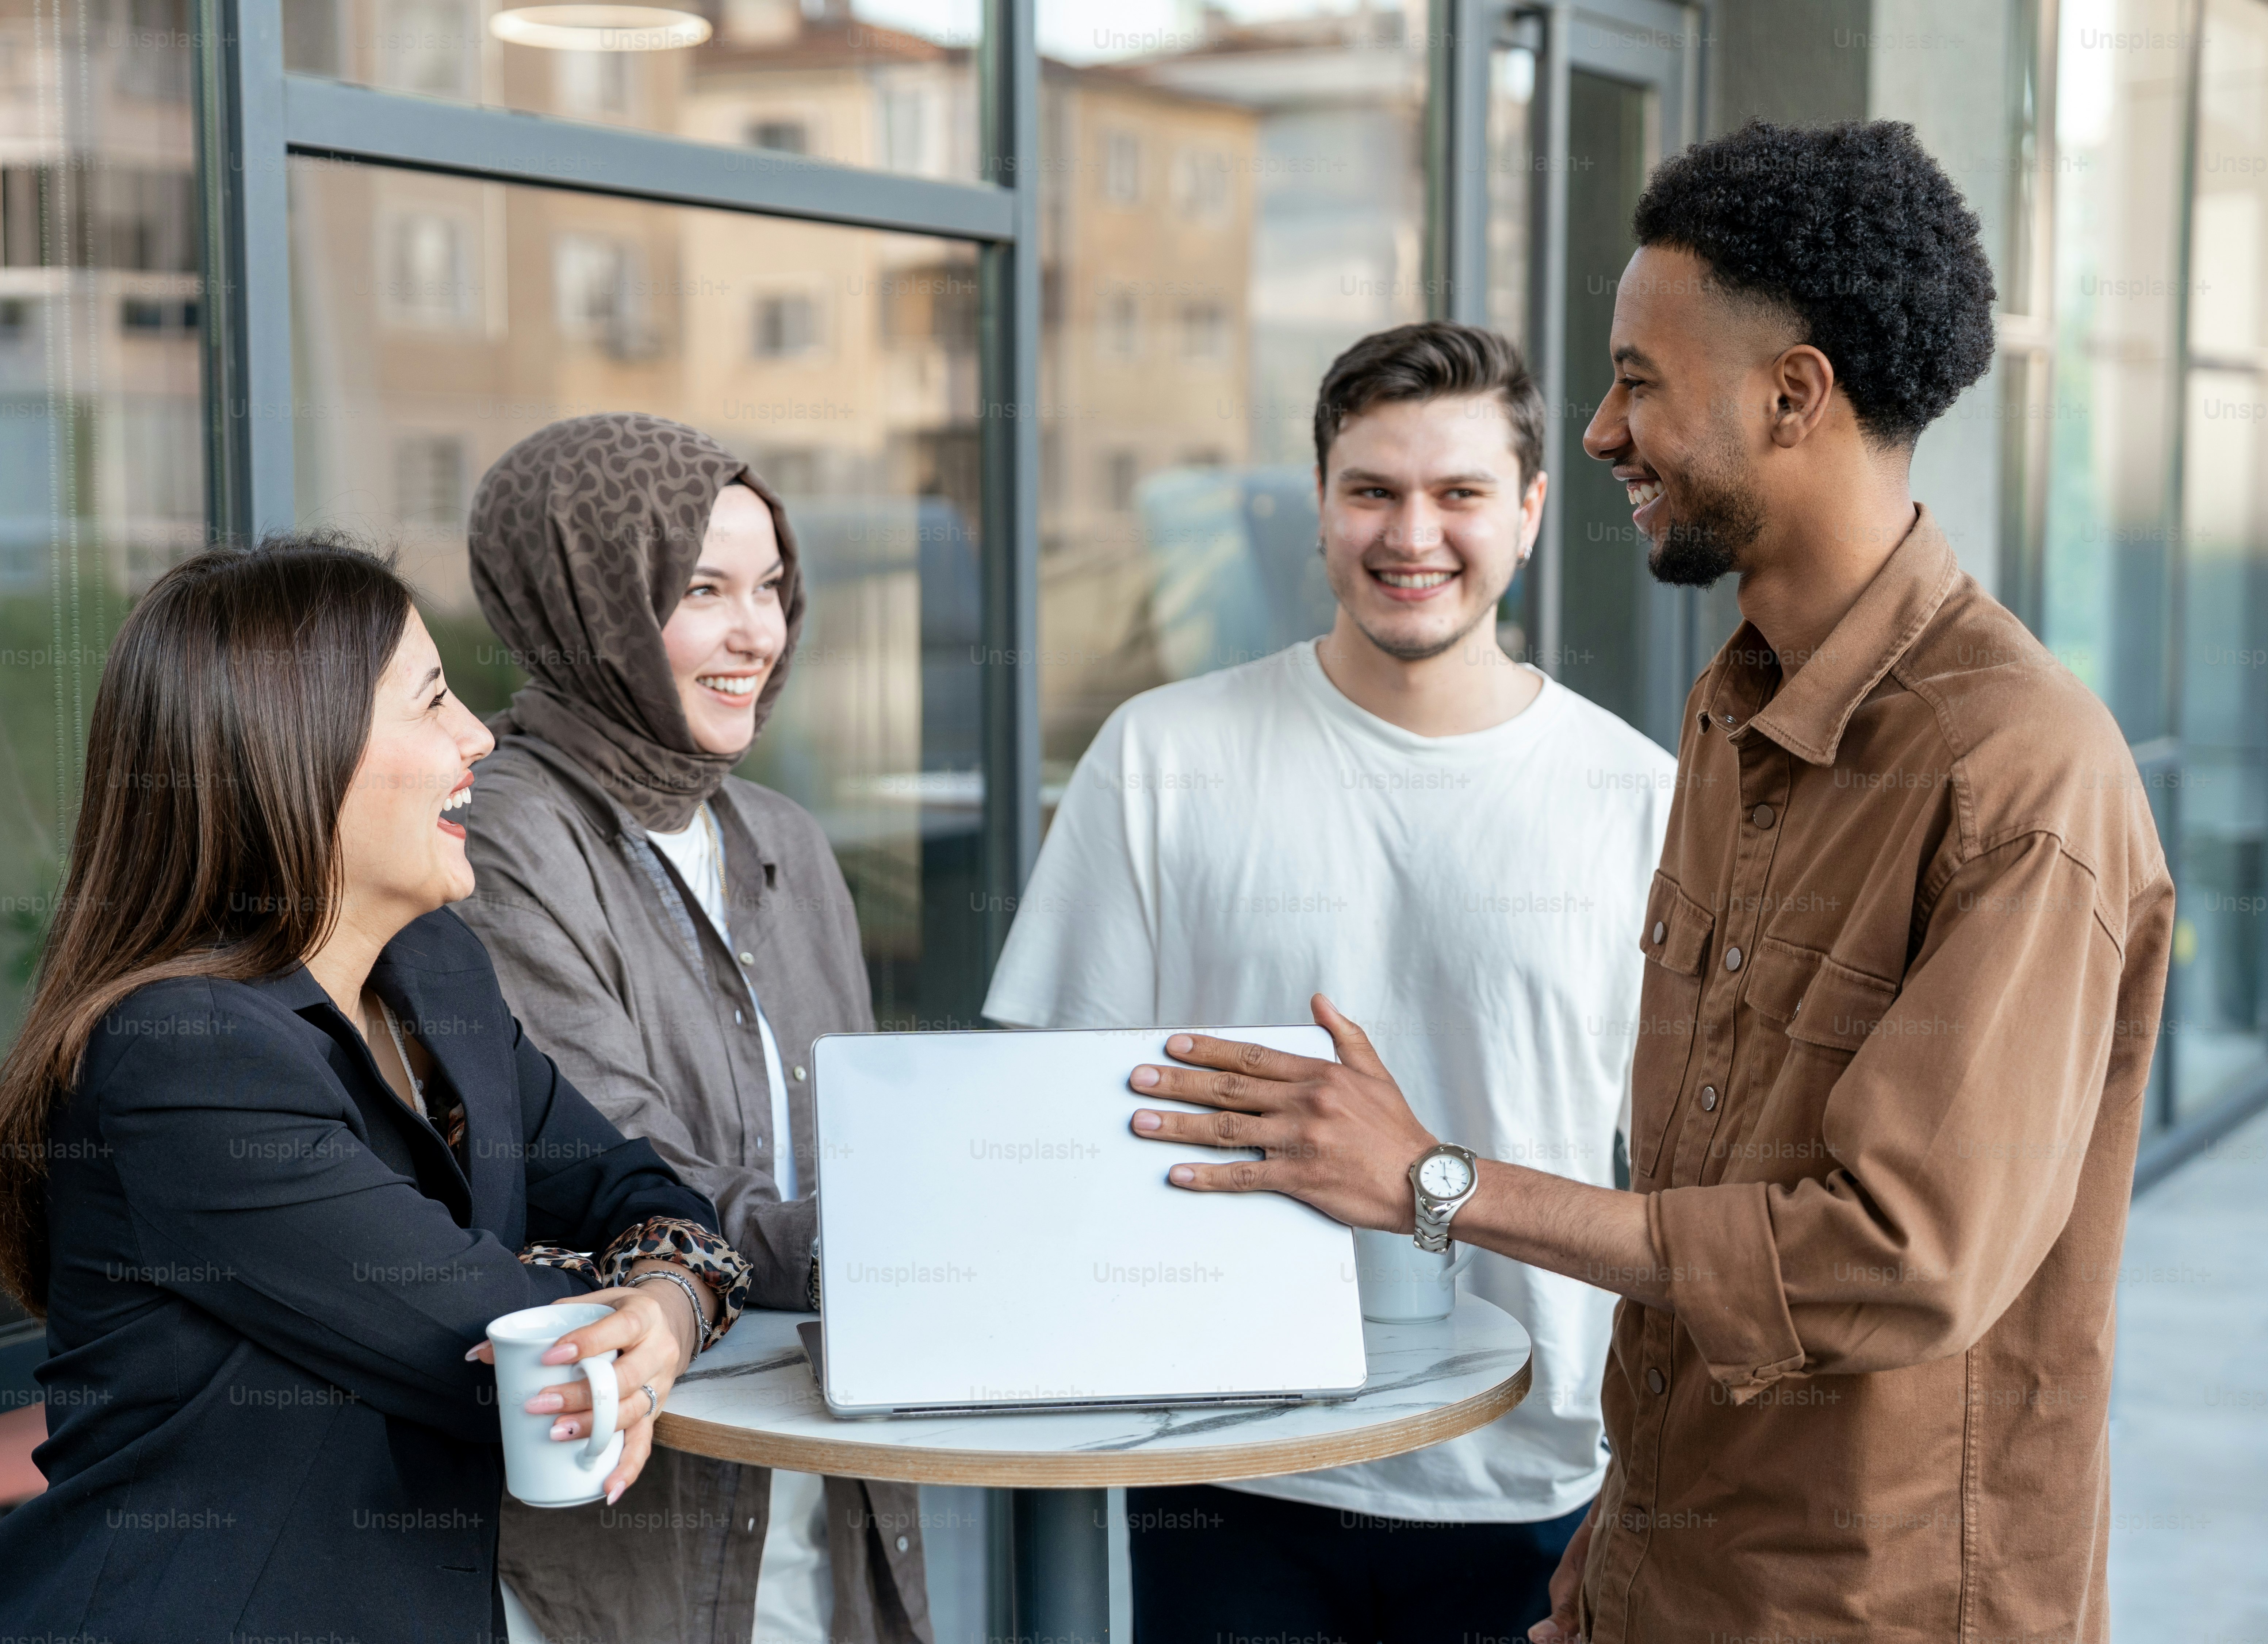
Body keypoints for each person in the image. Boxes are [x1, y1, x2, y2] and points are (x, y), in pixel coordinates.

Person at [1120, 120, 2171, 1644]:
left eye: (1640, 380)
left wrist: (1439, 1182)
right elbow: (1703, 1197)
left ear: (1794, 394)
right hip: (1668, 1583)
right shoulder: (1733, 716)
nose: (1604, 431)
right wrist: (1620, 1540)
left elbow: (1897, 1259)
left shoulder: (2018, 773)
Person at [982, 322, 1675, 1643]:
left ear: (1529, 513)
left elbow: (1677, 1177)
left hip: (1531, 1474)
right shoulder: (1162, 755)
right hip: (1225, 1459)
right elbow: (1047, 1110)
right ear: (1319, 510)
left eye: (1459, 493)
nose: (1412, 532)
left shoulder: (1640, 800)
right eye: (1372, 490)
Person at [0, 538, 750, 1644]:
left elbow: (644, 1191)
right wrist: (642, 1288)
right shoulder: (185, 1058)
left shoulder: (437, 973)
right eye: (431, 701)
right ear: (295, 751)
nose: (479, 734)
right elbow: (492, 1347)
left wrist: (665, 1303)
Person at [455, 413, 929, 1644]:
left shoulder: (780, 837)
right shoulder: (506, 832)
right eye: (703, 589)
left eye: (770, 589)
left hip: (822, 1458)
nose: (755, 634)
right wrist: (909, 1247)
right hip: (637, 1479)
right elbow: (623, 1171)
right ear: (586, 602)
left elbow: (854, 1148)